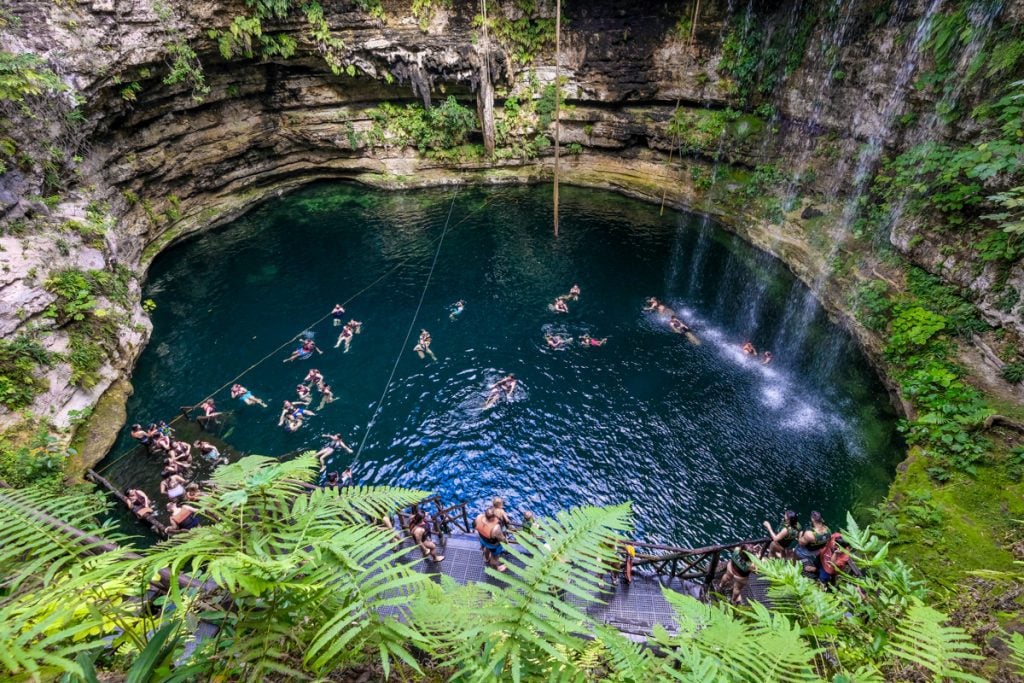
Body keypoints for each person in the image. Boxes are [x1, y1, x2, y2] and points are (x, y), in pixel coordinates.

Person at [794, 511, 831, 575]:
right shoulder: (828, 530)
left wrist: (800, 534)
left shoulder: (809, 534)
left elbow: (801, 543)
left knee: (796, 554)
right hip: (816, 551)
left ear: (812, 519)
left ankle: (794, 567)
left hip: (805, 551)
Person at [474, 507, 507, 572]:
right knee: (494, 557)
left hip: (483, 540)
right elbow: (502, 538)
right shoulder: (495, 528)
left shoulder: (478, 517)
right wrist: (506, 542)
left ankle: (486, 558)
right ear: (492, 518)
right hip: (493, 545)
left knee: (486, 548)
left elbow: (475, 527)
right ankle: (496, 568)